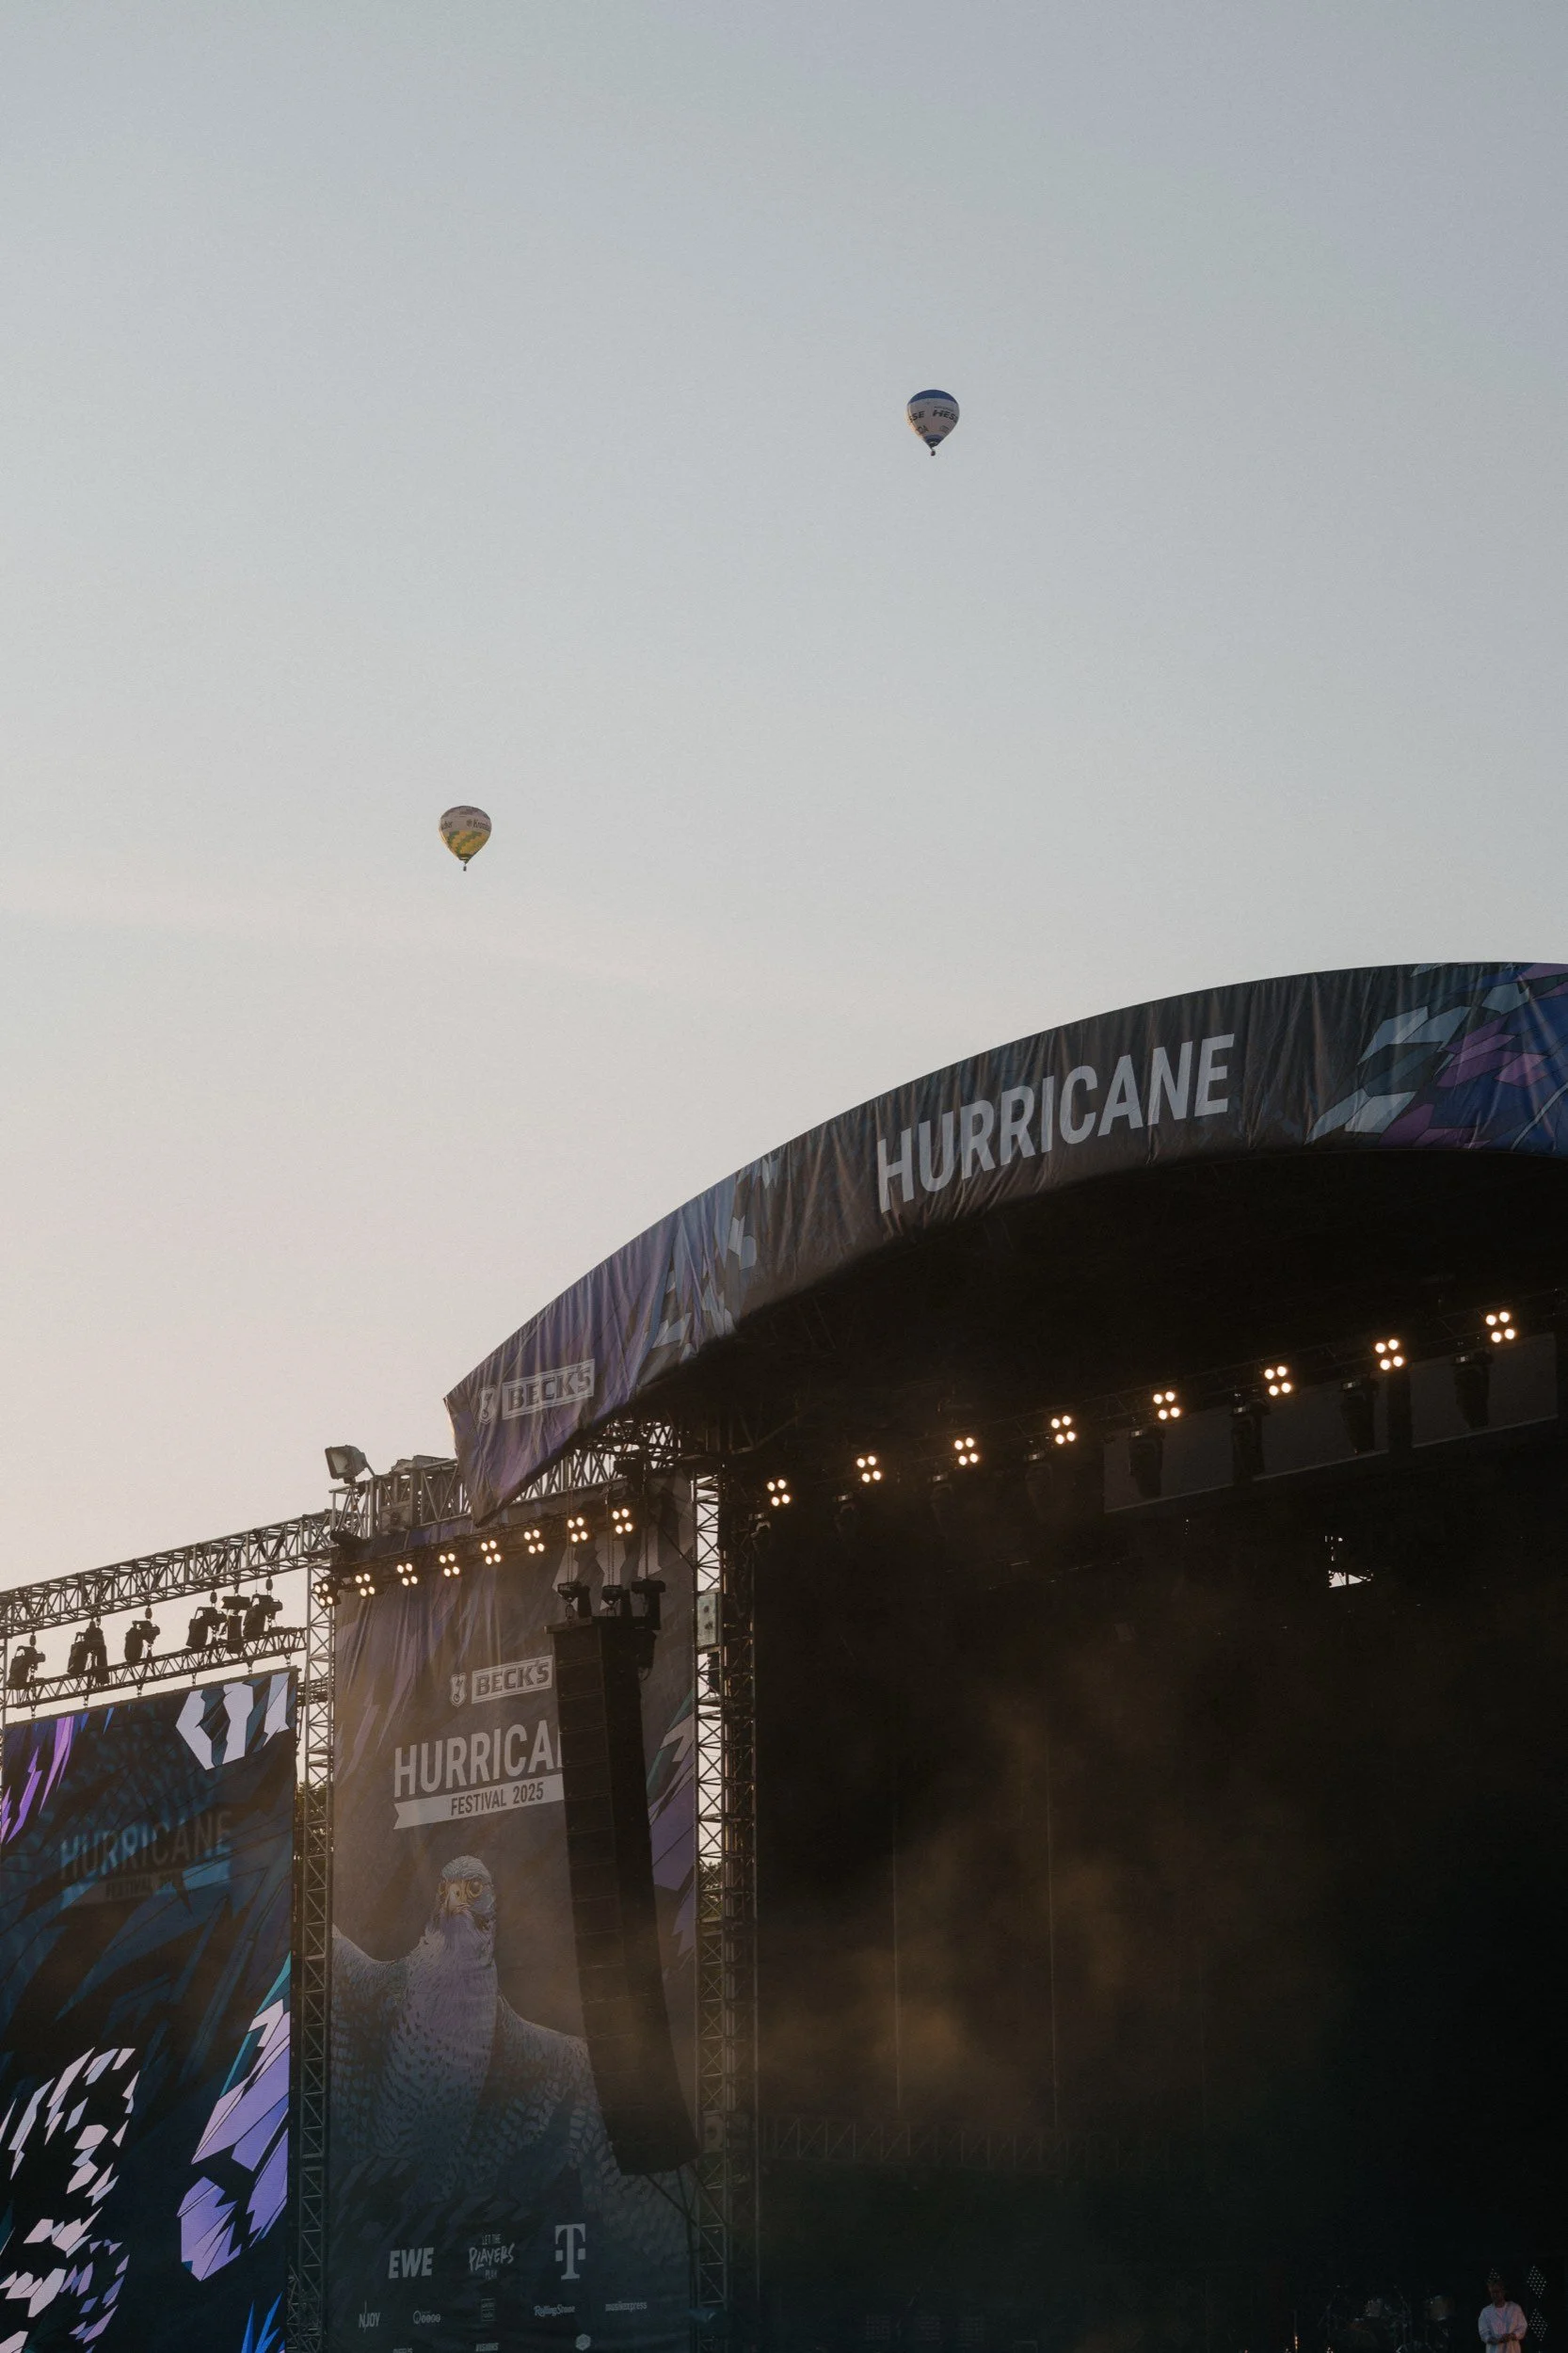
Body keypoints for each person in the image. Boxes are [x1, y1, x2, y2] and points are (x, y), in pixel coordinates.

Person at [1480, 2276, 1528, 2353]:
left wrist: (1512, 2336)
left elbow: (1522, 2327)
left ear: (1503, 2292)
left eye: (1497, 2292)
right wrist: (1497, 2340)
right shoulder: (1486, 2312)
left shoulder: (1515, 2308)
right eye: (1492, 2292)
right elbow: (1484, 2334)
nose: (1494, 2295)